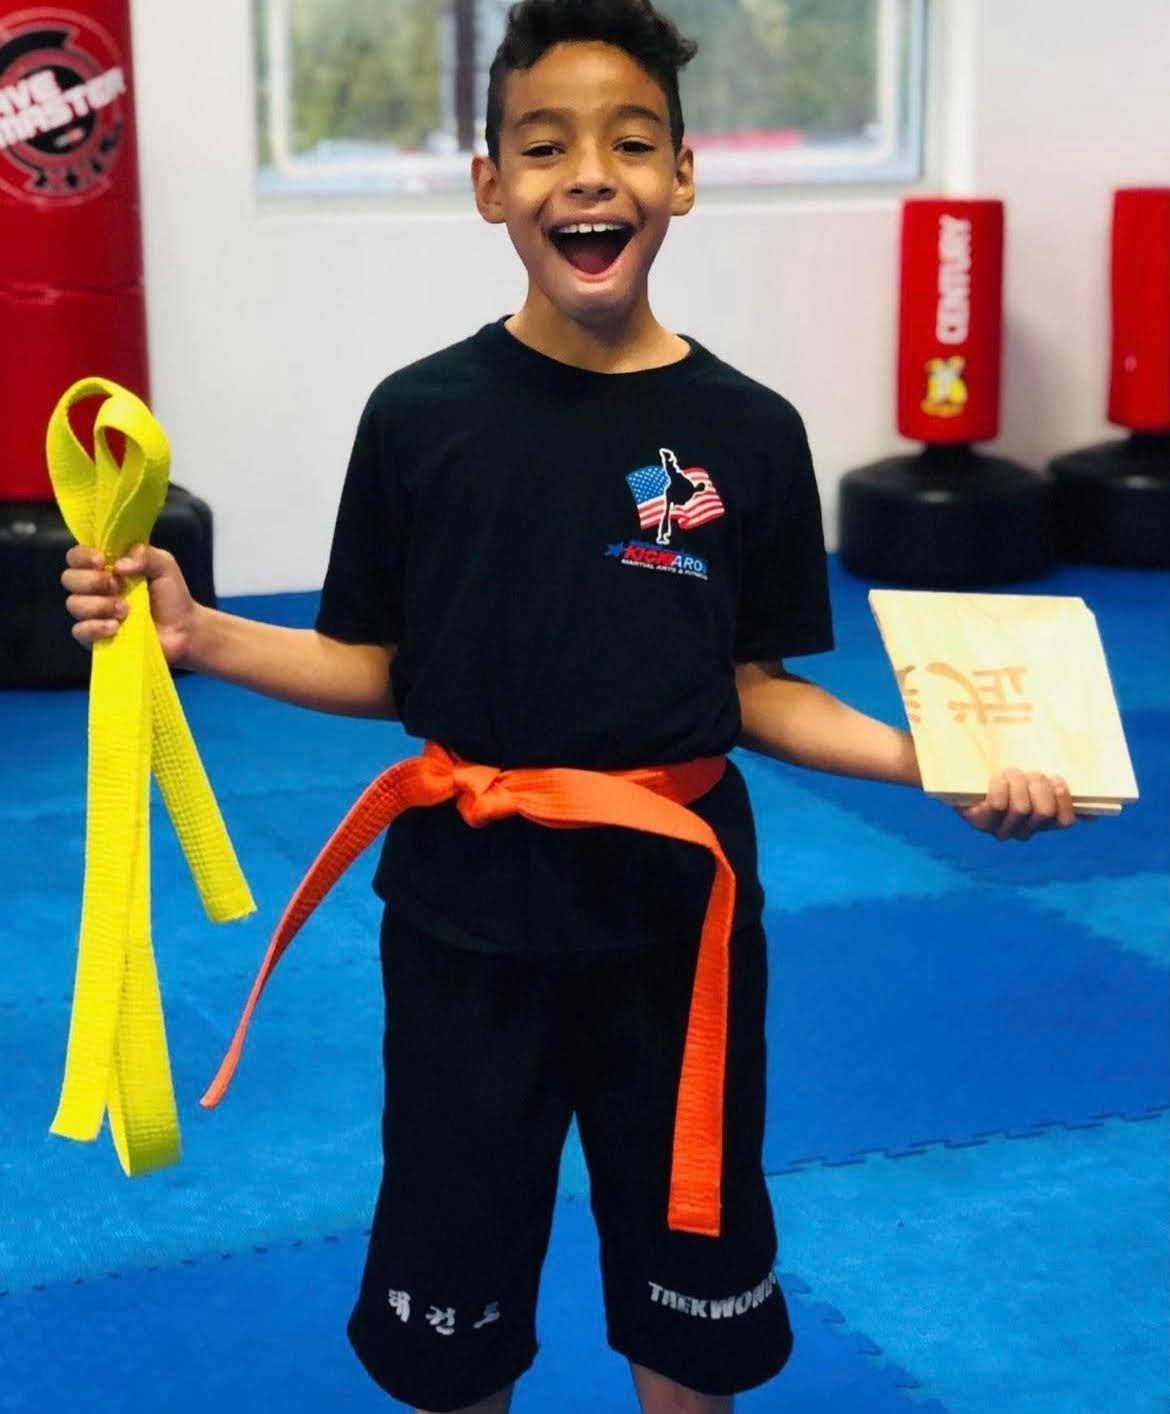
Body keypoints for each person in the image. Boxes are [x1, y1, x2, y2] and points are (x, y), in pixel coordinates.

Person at [60, 2, 1083, 1411]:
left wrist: (936, 760)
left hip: (678, 930)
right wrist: (199, 633)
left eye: (629, 141)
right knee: (450, 1308)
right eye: (543, 146)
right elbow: (380, 667)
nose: (587, 175)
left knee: (692, 1302)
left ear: (683, 172)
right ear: (489, 185)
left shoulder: (749, 432)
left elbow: (752, 693)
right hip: (462, 920)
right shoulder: (421, 417)